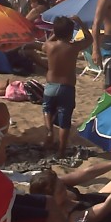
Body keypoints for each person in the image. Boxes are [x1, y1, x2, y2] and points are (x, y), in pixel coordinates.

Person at [43, 15, 93, 158]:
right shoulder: (73, 47)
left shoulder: (49, 46)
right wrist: (81, 23)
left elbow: (46, 42)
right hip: (67, 87)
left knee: (47, 109)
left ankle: (49, 131)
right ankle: (61, 151)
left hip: (50, 86)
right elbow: (90, 39)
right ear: (71, 33)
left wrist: (55, 33)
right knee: (65, 121)